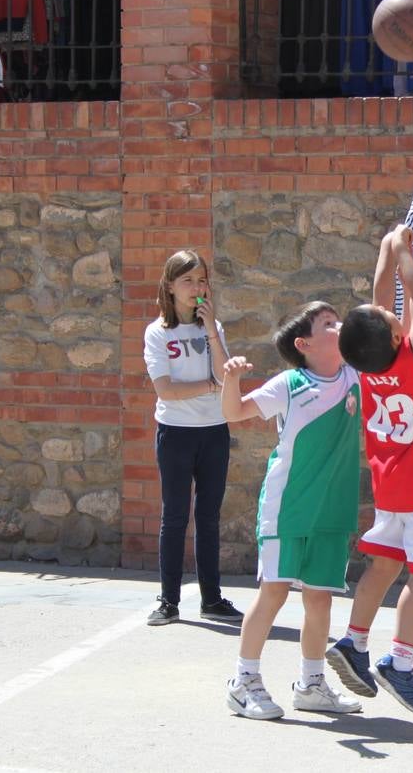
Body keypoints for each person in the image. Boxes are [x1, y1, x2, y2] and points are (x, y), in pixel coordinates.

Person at [327, 224, 413, 717]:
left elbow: (380, 301)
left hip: (391, 489)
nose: (393, 313)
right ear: (392, 333)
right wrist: (406, 256)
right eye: (391, 319)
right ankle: (401, 662)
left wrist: (387, 249)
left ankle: (352, 641)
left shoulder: (370, 369)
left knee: (382, 566)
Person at [219, 301, 363, 720]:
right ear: (305, 344)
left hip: (331, 512)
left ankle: (311, 684)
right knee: (274, 593)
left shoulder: (355, 376)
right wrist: (231, 379)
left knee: (320, 599)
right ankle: (243, 682)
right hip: (288, 508)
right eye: (328, 324)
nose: (340, 326)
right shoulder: (290, 383)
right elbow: (235, 412)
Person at [141, 249, 243, 627]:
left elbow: (226, 374)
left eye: (202, 280)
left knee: (209, 517)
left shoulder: (212, 329)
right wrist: (210, 385)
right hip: (176, 433)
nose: (197, 288)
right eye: (188, 280)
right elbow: (165, 390)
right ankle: (168, 601)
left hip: (214, 431)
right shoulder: (157, 332)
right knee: (175, 517)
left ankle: (211, 599)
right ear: (170, 286)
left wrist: (213, 332)